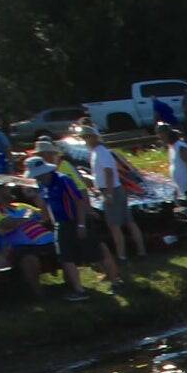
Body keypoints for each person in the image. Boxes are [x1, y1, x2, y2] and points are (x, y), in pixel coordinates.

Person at [27, 155, 120, 300]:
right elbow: (48, 205)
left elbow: (79, 201)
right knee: (65, 257)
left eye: (40, 174)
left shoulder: (64, 180)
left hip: (78, 220)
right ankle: (79, 290)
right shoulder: (42, 185)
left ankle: (115, 282)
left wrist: (81, 224)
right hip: (61, 224)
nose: (39, 177)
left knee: (96, 254)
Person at [0, 183, 54, 296]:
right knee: (27, 256)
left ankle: (73, 286)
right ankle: (39, 293)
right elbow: (6, 224)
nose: (10, 190)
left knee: (62, 246)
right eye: (6, 188)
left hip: (42, 240)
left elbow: (45, 217)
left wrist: (36, 198)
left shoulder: (20, 206)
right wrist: (27, 218)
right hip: (15, 247)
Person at [82, 126, 146, 261]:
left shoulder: (101, 152)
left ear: (95, 137)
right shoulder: (96, 152)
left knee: (114, 225)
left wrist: (109, 194)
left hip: (111, 190)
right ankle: (140, 251)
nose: (85, 140)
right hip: (114, 189)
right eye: (84, 137)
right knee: (128, 222)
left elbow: (109, 172)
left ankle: (122, 255)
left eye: (87, 136)